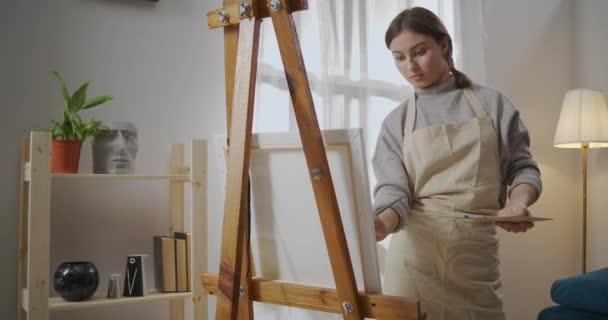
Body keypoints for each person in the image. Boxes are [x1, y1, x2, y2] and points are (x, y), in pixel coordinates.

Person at [372, 7, 542, 320]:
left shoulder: (493, 104)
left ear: (445, 45)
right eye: (399, 57)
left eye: (419, 52)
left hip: (474, 255)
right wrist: (381, 223)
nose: (411, 66)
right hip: (414, 258)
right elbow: (394, 191)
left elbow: (522, 168)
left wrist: (517, 204)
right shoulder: (395, 123)